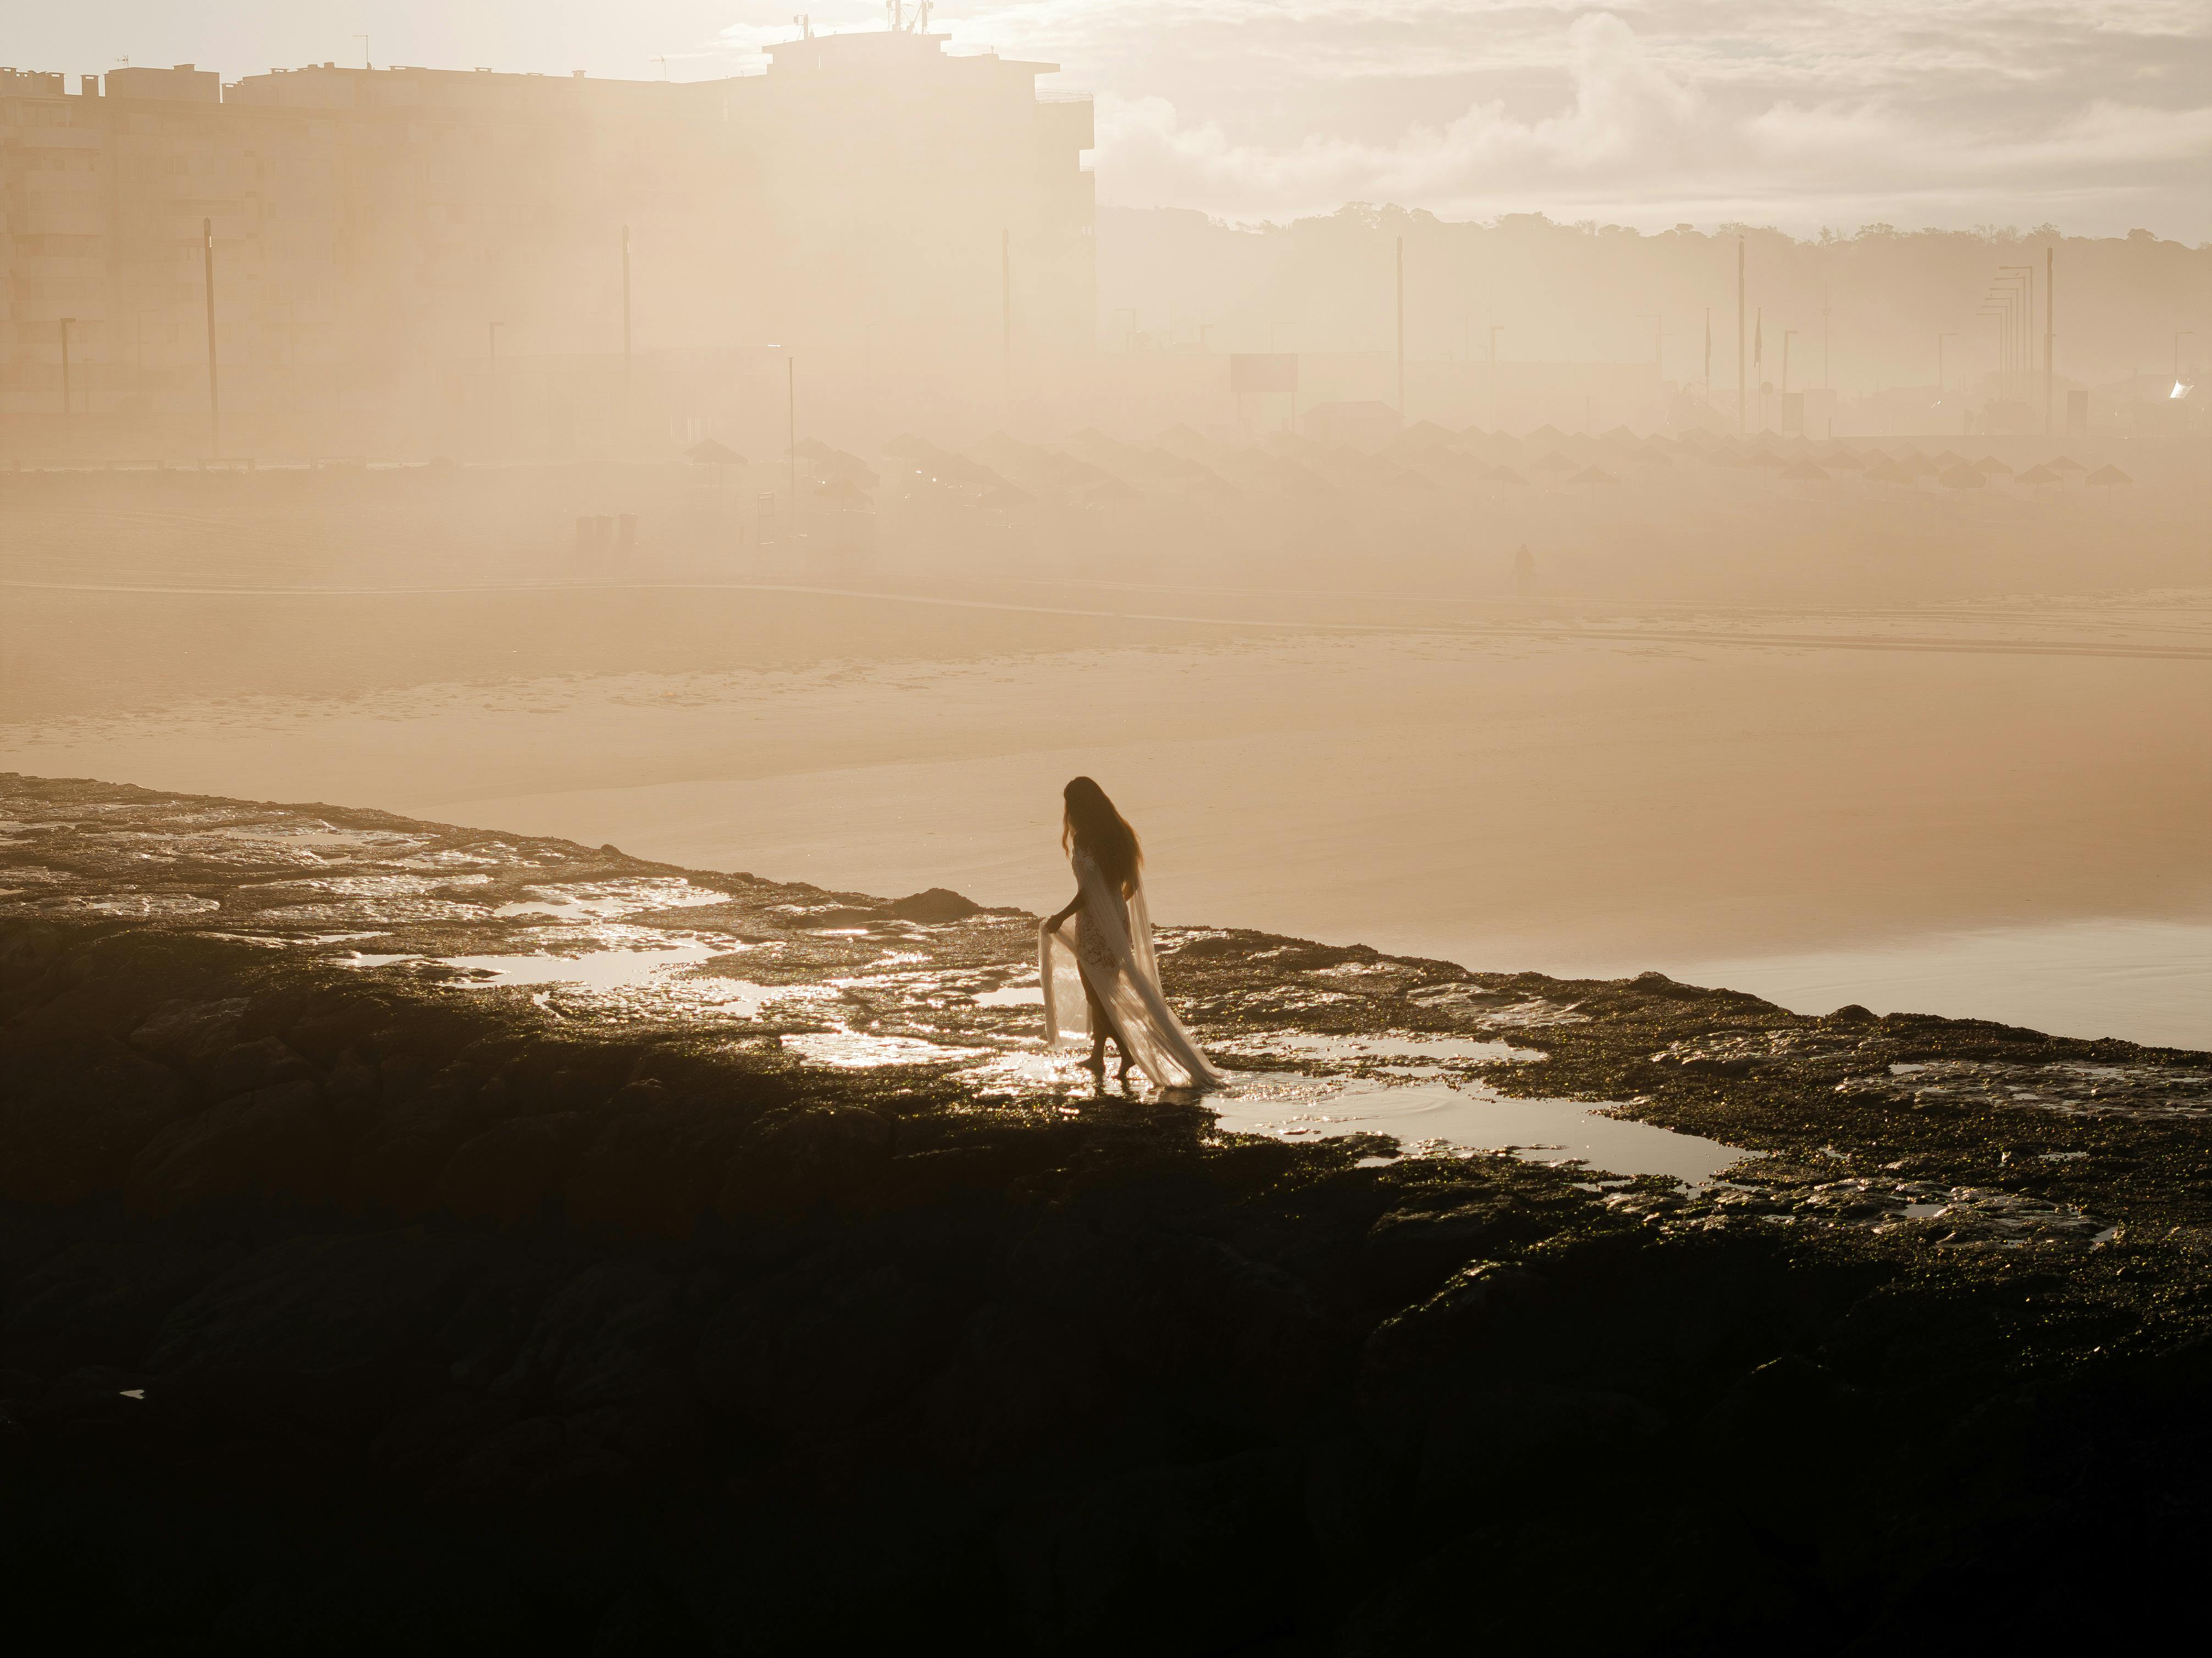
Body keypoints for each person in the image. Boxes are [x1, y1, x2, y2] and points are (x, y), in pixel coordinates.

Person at [1040, 777, 1221, 1091]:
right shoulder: (1119, 834)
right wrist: (1112, 910)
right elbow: (1125, 887)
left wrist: (1060, 918)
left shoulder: (1087, 838)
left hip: (1096, 922)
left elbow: (1088, 891)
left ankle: (1124, 1053)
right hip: (1113, 918)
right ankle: (1101, 1055)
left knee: (1097, 992)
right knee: (1103, 990)